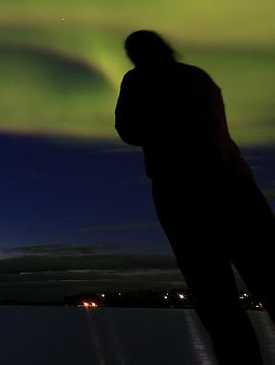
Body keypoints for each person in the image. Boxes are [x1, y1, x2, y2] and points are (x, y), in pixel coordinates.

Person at [115, 30, 275, 364]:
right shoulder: (197, 77)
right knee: (267, 273)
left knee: (214, 294)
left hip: (181, 191)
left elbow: (129, 130)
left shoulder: (138, 80)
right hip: (236, 185)